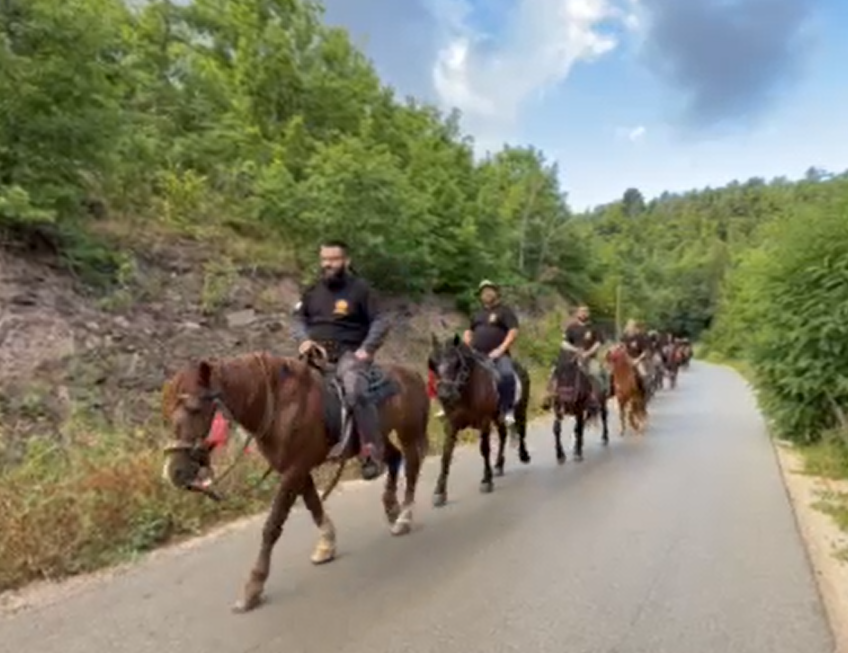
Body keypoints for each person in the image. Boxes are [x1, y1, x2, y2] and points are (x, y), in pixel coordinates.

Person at [291, 240, 390, 481]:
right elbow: (297, 319)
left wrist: (367, 348)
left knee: (354, 389)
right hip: (315, 354)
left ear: (346, 261)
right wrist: (303, 340)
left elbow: (381, 320)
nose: (327, 264)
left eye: (333, 259)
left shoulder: (361, 289)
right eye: (324, 259)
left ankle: (370, 451)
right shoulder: (312, 290)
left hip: (350, 353)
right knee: (286, 388)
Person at [463, 280, 519, 429]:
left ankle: (508, 410)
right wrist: (467, 338)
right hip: (477, 355)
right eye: (483, 291)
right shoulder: (477, 313)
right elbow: (469, 330)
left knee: (507, 375)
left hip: (499, 355)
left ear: (496, 292)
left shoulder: (505, 311)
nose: (486, 293)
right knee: (456, 373)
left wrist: (500, 349)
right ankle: (454, 409)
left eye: (489, 290)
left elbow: (513, 332)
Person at [561, 305, 609, 406]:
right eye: (581, 311)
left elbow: (598, 343)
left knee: (596, 372)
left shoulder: (594, 327)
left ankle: (598, 395)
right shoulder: (571, 327)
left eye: (585, 311)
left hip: (590, 358)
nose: (583, 313)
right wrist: (575, 350)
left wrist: (588, 353)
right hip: (574, 357)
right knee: (558, 372)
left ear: (588, 314)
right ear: (577, 313)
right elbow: (564, 343)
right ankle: (555, 396)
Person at [621, 318, 650, 391]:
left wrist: (637, 359)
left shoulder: (640, 337)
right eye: (629, 325)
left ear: (634, 327)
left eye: (632, 326)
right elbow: (622, 348)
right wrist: (627, 358)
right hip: (626, 359)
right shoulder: (624, 337)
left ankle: (645, 389)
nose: (630, 327)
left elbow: (645, 351)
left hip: (638, 359)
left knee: (643, 374)